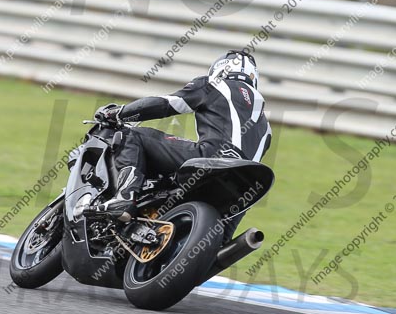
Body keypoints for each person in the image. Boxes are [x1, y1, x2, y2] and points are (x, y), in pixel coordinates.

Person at [87, 50, 272, 227]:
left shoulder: (215, 84)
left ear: (221, 69)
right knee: (222, 234)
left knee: (132, 135)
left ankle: (124, 198)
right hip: (246, 185)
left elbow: (167, 104)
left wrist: (119, 113)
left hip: (211, 157)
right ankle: (219, 246)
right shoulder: (266, 126)